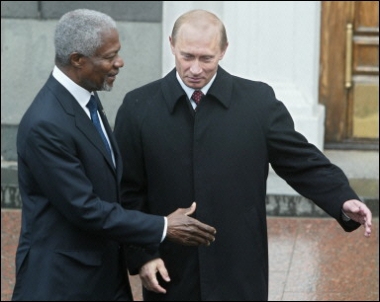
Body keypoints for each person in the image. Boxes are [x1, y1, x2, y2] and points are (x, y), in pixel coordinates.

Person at [113, 9, 373, 301]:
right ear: (172, 44)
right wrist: (144, 255)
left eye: (206, 58)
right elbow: (127, 192)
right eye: (187, 56)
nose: (195, 69)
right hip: (172, 271)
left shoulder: (257, 103)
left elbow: (301, 162)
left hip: (239, 270)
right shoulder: (137, 108)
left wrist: (342, 197)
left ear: (224, 50)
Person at [11, 9, 217, 301]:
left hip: (103, 276)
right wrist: (163, 226)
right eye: (109, 57)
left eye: (117, 53)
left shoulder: (87, 99)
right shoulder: (46, 124)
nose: (119, 63)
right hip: (63, 284)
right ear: (78, 60)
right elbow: (85, 208)